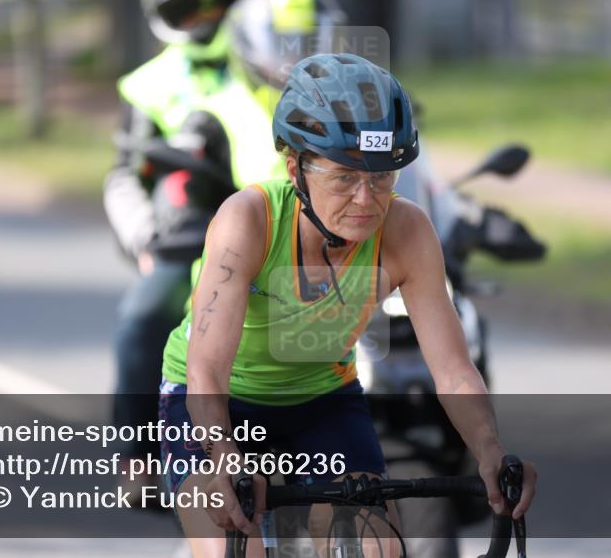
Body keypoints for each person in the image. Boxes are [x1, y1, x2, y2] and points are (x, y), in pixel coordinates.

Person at [158, 53, 537, 556]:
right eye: (344, 177)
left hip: (321, 402)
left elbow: (453, 371)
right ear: (295, 167)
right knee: (236, 543)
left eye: (383, 177)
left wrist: (490, 451)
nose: (366, 199)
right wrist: (226, 454)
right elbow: (207, 371)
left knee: (377, 547)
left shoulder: (408, 231)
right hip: (216, 401)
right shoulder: (247, 221)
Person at [105, 0, 248, 487]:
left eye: (214, 0)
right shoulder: (147, 85)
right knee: (142, 318)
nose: (204, 17)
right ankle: (136, 454)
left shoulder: (269, 58)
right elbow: (124, 177)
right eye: (186, 8)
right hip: (191, 239)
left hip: (286, 225)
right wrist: (144, 239)